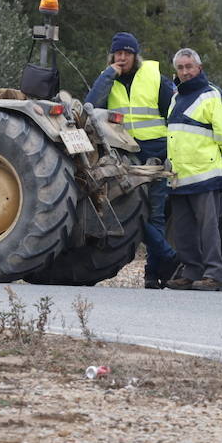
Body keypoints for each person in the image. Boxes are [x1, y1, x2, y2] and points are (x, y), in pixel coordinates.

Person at [85, 31, 179, 289]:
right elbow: (89, 105)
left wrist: (172, 152)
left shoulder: (154, 79)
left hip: (156, 152)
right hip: (124, 154)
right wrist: (108, 74)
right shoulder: (108, 79)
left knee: (156, 214)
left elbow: (172, 113)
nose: (123, 57)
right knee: (132, 211)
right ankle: (168, 258)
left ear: (136, 56)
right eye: (118, 53)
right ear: (112, 55)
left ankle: (153, 274)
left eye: (127, 53)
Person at [164, 48, 222, 291]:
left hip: (206, 175)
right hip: (180, 177)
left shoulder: (211, 96)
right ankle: (192, 271)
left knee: (208, 229)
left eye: (189, 67)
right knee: (184, 231)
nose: (185, 72)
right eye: (181, 68)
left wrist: (220, 158)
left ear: (199, 68)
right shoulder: (175, 98)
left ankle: (215, 275)